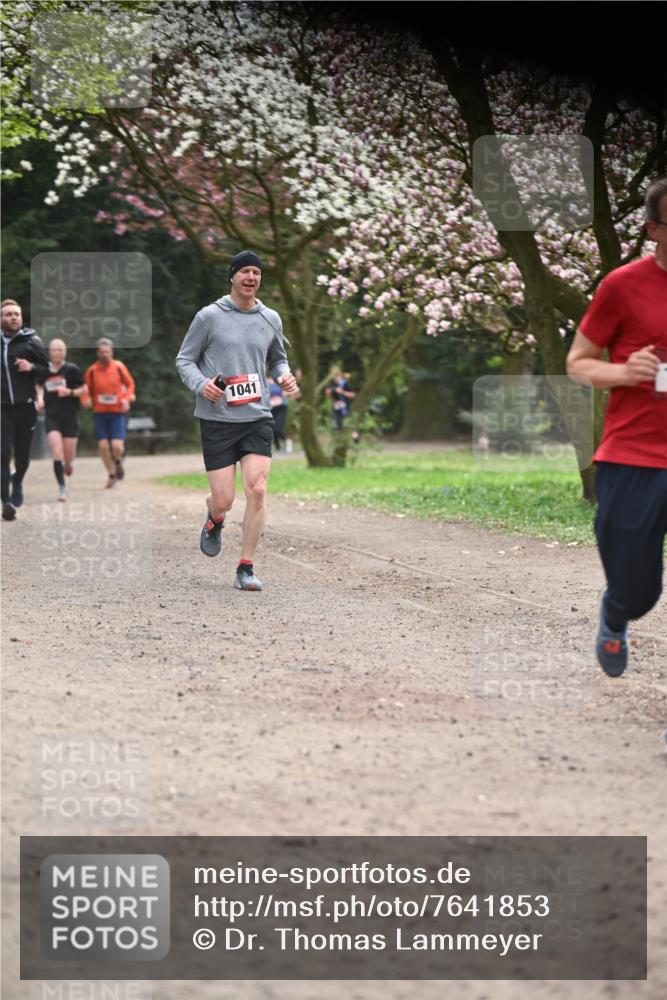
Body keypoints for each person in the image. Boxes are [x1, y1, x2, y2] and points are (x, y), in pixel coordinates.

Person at [566, 176, 667, 678]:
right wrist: (625, 372)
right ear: (654, 229)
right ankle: (616, 611)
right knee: (637, 591)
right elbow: (578, 362)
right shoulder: (622, 286)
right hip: (634, 456)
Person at [176, 249, 299, 591]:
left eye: (256, 273)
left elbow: (277, 360)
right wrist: (202, 385)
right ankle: (215, 518)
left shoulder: (270, 318)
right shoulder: (208, 317)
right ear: (232, 276)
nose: (251, 277)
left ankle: (245, 566)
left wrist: (285, 377)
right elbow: (185, 361)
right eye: (244, 271)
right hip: (217, 418)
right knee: (225, 500)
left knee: (258, 489)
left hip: (257, 415)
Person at [1, 299, 50, 521]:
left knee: (22, 456)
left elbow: (48, 370)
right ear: (1, 318)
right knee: (2, 454)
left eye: (16, 314)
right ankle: (6, 502)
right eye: (8, 314)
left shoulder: (31, 341)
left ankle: (18, 480)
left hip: (25, 406)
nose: (13, 317)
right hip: (2, 409)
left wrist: (32, 368)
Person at [35, 338, 86, 501]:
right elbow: (40, 386)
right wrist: (40, 398)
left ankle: (69, 464)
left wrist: (70, 392)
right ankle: (62, 489)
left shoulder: (72, 369)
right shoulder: (44, 369)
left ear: (65, 352)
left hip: (70, 416)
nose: (57, 353)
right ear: (49, 352)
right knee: (57, 452)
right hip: (52, 416)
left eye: (60, 350)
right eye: (54, 350)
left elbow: (84, 389)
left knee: (69, 454)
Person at [84, 338, 135, 488]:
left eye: (107, 352)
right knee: (103, 446)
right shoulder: (92, 370)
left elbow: (130, 384)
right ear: (97, 353)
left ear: (111, 352)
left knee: (117, 446)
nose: (104, 354)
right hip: (100, 413)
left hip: (117, 412)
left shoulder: (119, 367)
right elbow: (85, 390)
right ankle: (112, 473)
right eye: (101, 352)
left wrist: (126, 399)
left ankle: (118, 461)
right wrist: (86, 399)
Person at [268, 375, 289, 450]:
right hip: (271, 408)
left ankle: (286, 440)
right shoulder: (264, 382)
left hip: (281, 407)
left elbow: (287, 391)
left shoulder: (281, 379)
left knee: (277, 429)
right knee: (272, 429)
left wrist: (282, 396)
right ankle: (278, 448)